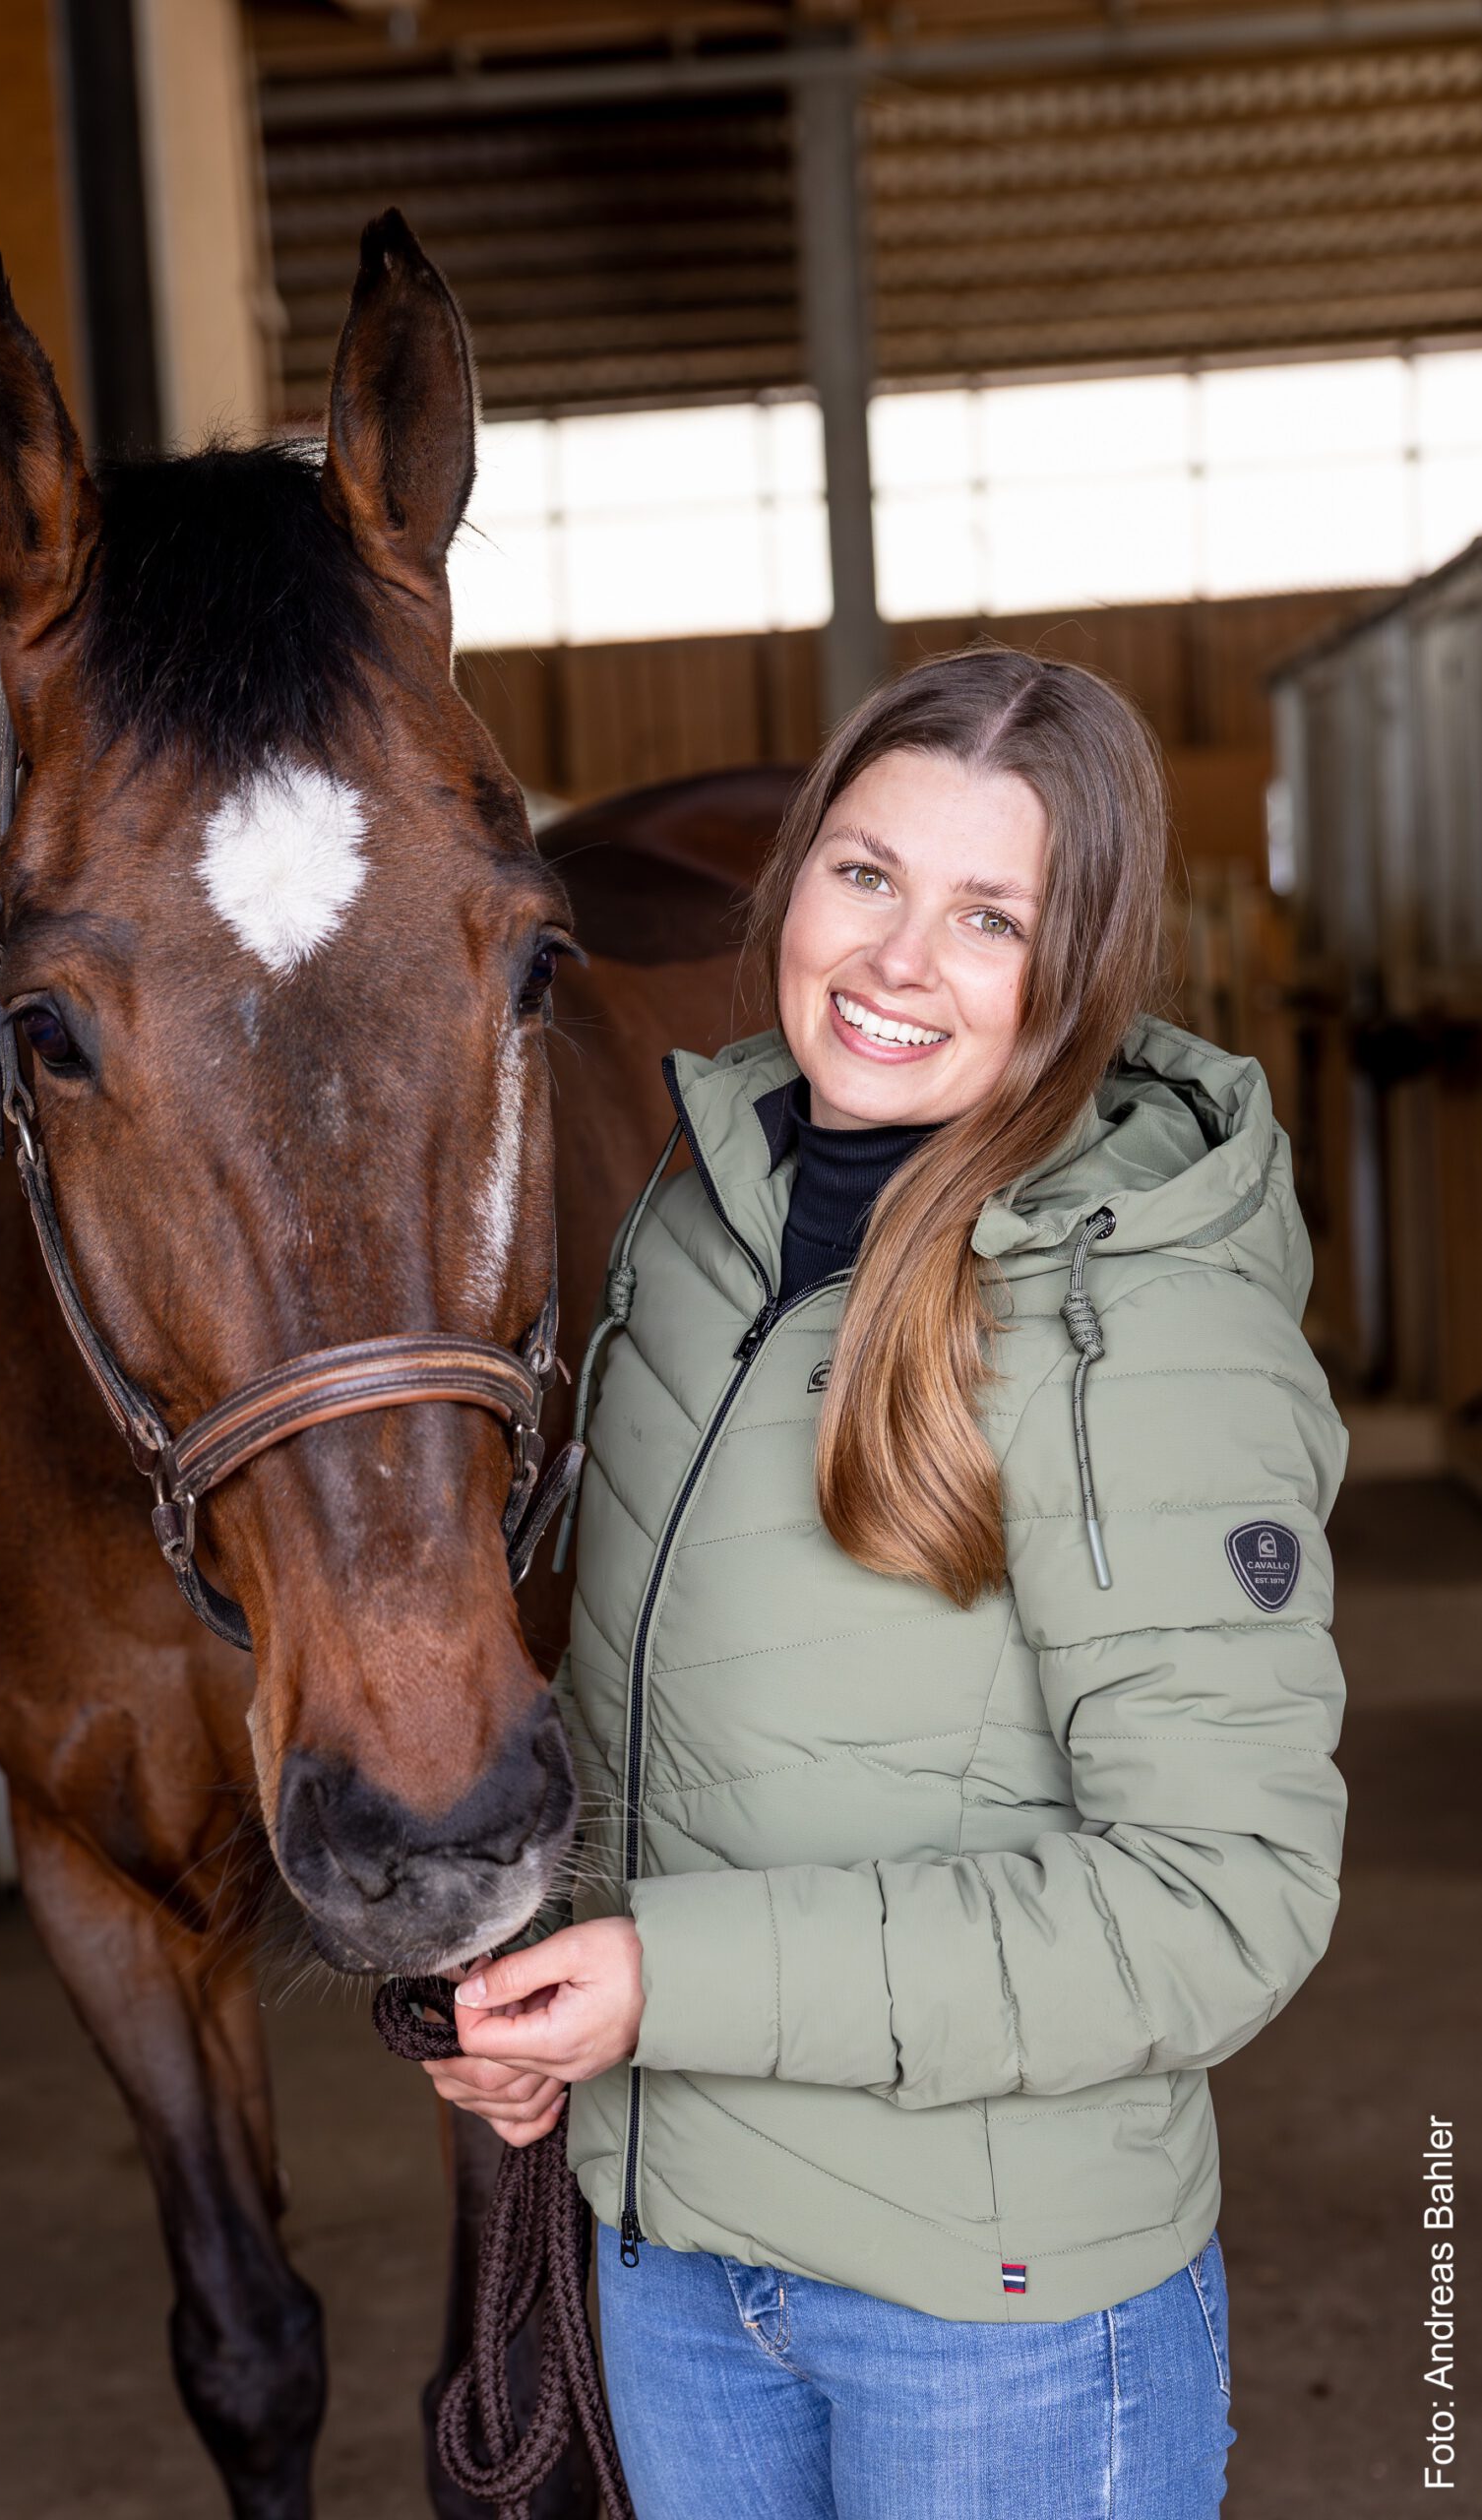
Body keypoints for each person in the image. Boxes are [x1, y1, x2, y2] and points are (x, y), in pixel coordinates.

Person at [422, 647, 1349, 2519]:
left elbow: (1217, 1902)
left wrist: (660, 1980)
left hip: (992, 2320)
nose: (895, 961)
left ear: (1074, 966)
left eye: (987, 916)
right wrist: (548, 2002)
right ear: (790, 882)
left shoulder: (1145, 1328)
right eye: (863, 875)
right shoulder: (694, 1226)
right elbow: (666, 1723)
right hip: (672, 2259)